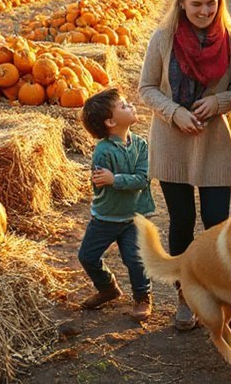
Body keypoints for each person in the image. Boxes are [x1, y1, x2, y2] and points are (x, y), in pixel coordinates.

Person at [138, 0, 231, 330]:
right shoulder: (163, 39)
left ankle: (227, 299)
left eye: (211, 4)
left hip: (216, 144)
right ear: (182, 3)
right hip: (173, 144)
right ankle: (186, 300)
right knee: (182, 223)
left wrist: (217, 103)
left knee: (218, 226)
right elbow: (147, 88)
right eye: (197, 4)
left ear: (219, 4)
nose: (204, 11)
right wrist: (175, 112)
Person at [77, 87, 155, 322]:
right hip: (105, 217)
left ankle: (142, 297)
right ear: (111, 122)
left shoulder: (140, 145)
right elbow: (100, 183)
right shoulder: (102, 151)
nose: (130, 105)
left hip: (134, 216)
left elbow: (143, 179)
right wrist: (107, 181)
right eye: (123, 106)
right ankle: (108, 287)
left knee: (134, 258)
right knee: (87, 257)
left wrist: (115, 179)